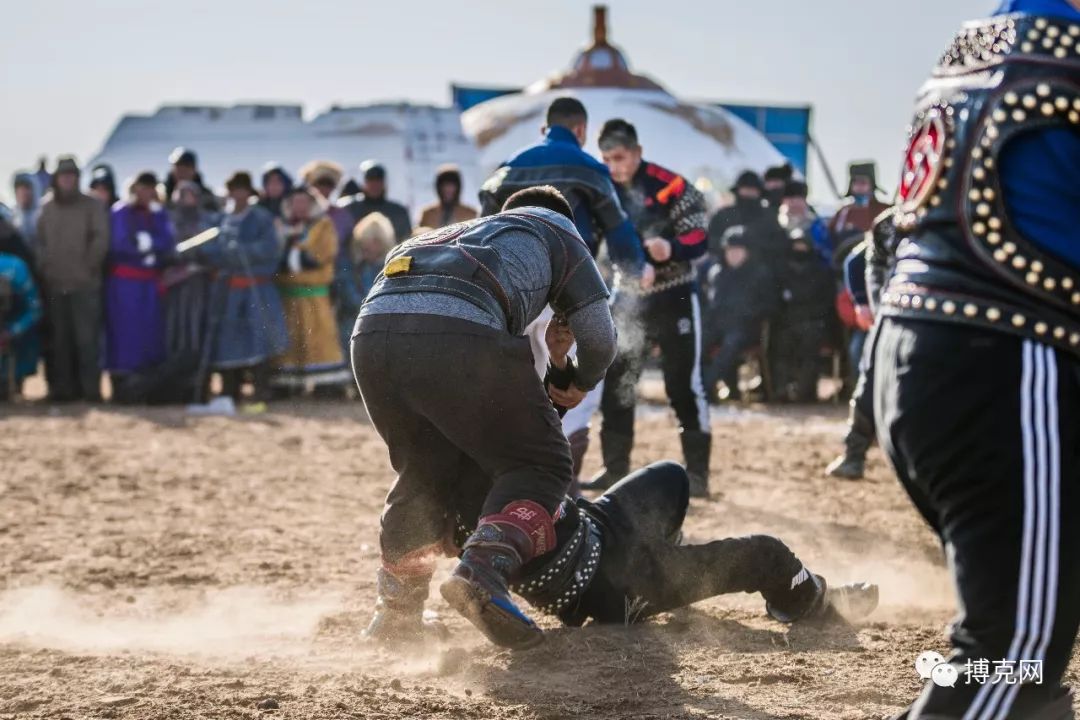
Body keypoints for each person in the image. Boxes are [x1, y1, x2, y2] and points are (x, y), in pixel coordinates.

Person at [876, 2, 1080, 717]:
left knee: (1029, 650)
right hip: (1006, 368)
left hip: (920, 360)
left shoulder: (983, 40)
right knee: (1011, 652)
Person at [354, 186, 617, 649]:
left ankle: (395, 615)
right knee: (541, 463)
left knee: (426, 470)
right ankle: (483, 572)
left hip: (371, 337)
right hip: (459, 330)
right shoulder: (560, 232)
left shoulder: (452, 232)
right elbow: (600, 340)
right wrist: (578, 380)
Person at [434, 459, 879, 635]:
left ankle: (670, 566)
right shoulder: (453, 476)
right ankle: (814, 601)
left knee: (672, 476)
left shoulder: (462, 435)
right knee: (768, 553)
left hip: (598, 524)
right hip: (606, 586)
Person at [582, 118, 712, 496]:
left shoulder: (673, 185)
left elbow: (700, 238)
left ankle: (699, 475)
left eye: (619, 157)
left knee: (683, 384)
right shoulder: (600, 189)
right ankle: (614, 469)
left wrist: (670, 250)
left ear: (637, 153)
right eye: (606, 158)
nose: (613, 166)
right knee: (619, 383)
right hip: (627, 299)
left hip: (676, 296)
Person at [477, 97, 650, 283]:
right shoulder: (590, 169)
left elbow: (483, 229)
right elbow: (617, 229)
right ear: (580, 129)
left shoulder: (507, 168)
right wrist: (635, 270)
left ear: (545, 129)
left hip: (513, 281)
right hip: (569, 282)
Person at [197, 171, 287, 403]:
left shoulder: (261, 218)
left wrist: (241, 251)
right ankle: (229, 393)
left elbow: (270, 249)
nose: (237, 194)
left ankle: (260, 393)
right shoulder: (221, 220)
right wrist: (222, 253)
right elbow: (209, 250)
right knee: (228, 344)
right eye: (233, 189)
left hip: (256, 290)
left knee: (259, 342)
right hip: (228, 294)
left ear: (249, 192)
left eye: (242, 189)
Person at [826, 209, 896, 480]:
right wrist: (863, 304)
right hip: (889, 322)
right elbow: (855, 262)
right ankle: (853, 455)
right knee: (869, 382)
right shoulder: (895, 222)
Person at [35, 156, 109, 402]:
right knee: (60, 341)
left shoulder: (92, 206)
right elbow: (40, 242)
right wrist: (46, 268)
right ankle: (62, 391)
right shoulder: (47, 207)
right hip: (56, 285)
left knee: (87, 341)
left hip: (84, 285)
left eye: (72, 175)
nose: (67, 179)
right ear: (56, 178)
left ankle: (90, 391)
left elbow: (100, 239)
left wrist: (88, 267)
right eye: (63, 175)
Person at [272, 185, 350, 397]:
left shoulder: (323, 226)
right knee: (291, 340)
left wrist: (297, 251)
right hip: (288, 294)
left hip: (314, 293)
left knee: (319, 337)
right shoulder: (282, 227)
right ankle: (289, 383)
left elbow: (320, 256)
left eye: (304, 202)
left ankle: (327, 384)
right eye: (295, 202)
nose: (299, 207)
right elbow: (277, 258)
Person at [104, 171, 175, 398]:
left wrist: (150, 242)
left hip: (149, 285)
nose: (148, 192)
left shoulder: (158, 214)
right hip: (125, 285)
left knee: (150, 332)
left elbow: (167, 242)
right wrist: (142, 246)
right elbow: (120, 242)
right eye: (143, 187)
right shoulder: (122, 212)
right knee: (126, 333)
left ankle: (148, 385)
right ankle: (123, 386)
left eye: (151, 188)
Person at [701, 226, 777, 403]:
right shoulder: (717, 273)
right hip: (718, 324)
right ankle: (704, 389)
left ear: (748, 251)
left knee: (730, 345)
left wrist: (748, 315)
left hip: (746, 327)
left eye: (738, 250)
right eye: (730, 250)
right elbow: (712, 304)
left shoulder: (760, 274)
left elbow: (770, 305)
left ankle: (705, 387)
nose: (733, 255)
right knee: (699, 344)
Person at [770, 225, 835, 403]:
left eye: (803, 245)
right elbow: (776, 302)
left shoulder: (821, 272)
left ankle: (805, 393)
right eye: (796, 245)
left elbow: (826, 302)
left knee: (810, 348)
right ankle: (781, 390)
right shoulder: (782, 272)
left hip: (813, 322)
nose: (799, 249)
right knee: (782, 346)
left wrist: (812, 317)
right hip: (788, 322)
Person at [336, 211, 395, 356]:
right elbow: (350, 297)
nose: (369, 247)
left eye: (375, 241)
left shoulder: (391, 267)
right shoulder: (352, 267)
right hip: (354, 322)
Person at [0, 249, 42, 401]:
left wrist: (12, 331)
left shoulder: (17, 270)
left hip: (15, 326)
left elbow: (35, 309)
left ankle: (13, 379)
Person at [828, 162, 890, 264]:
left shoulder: (884, 210)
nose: (859, 186)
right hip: (845, 264)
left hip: (878, 262)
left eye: (863, 182)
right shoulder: (843, 213)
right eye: (856, 182)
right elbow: (831, 241)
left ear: (871, 184)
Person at [339, 161, 412, 241]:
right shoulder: (348, 208)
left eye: (378, 181)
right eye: (370, 181)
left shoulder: (398, 212)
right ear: (364, 183)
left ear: (384, 183)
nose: (374, 185)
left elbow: (405, 241)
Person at [778, 180, 831, 265]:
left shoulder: (817, 225)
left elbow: (826, 252)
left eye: (799, 199)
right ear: (783, 201)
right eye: (791, 200)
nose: (795, 204)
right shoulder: (776, 224)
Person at [417, 164, 478, 229]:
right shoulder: (428, 214)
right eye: (444, 185)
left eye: (452, 185)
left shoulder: (470, 213)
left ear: (458, 187)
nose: (448, 189)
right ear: (438, 187)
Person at [163, 147, 218, 212]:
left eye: (186, 169)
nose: (182, 173)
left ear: (194, 170)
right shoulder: (161, 192)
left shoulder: (206, 195)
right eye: (178, 168)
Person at [12, 173, 42, 256]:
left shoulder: (45, 215)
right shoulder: (10, 217)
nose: (23, 192)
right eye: (19, 189)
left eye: (27, 188)